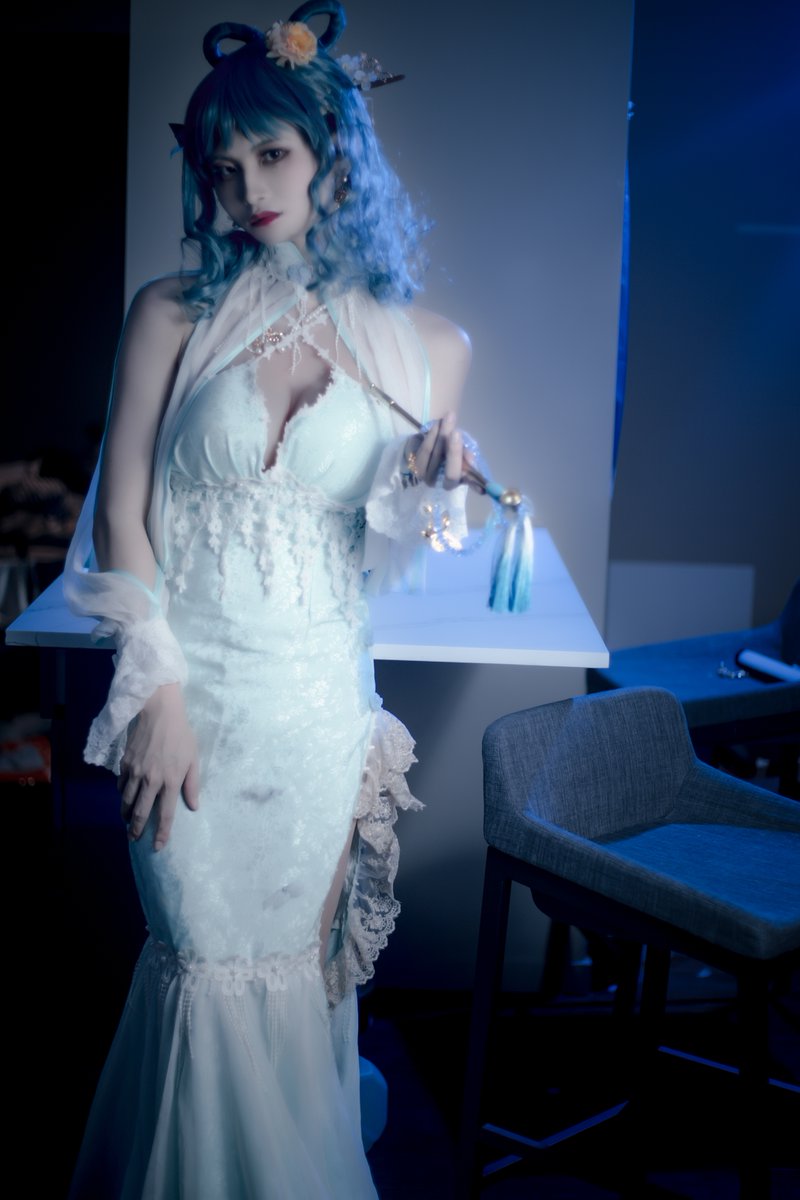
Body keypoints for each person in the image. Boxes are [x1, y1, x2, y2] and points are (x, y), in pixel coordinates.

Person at [63, 2, 473, 1196]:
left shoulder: (430, 345)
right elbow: (120, 516)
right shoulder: (168, 314)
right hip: (192, 699)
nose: (248, 189)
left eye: (273, 155)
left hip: (313, 712)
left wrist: (431, 485)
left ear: (333, 153)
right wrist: (156, 691)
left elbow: (402, 549)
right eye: (222, 165)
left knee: (290, 977)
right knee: (198, 959)